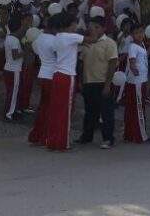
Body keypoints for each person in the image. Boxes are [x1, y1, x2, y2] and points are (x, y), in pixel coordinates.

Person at [78, 13, 119, 149]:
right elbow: (82, 62)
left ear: (102, 28)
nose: (92, 30)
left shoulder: (109, 43)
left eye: (96, 27)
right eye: (90, 27)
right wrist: (81, 81)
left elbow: (113, 63)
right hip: (88, 81)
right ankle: (86, 136)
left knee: (106, 112)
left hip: (102, 81)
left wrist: (108, 84)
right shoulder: (87, 43)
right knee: (90, 111)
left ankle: (108, 138)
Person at [46, 13, 84, 151]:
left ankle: (52, 140)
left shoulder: (57, 37)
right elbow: (90, 40)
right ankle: (62, 142)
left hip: (57, 74)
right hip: (68, 76)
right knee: (66, 110)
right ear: (71, 24)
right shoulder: (71, 36)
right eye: (75, 24)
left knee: (56, 109)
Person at [122, 23, 150, 144]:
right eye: (137, 33)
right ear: (132, 35)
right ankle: (141, 135)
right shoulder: (133, 46)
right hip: (136, 81)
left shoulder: (141, 45)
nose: (140, 35)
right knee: (138, 108)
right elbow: (132, 60)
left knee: (135, 107)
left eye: (141, 32)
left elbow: (143, 58)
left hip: (141, 80)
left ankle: (130, 134)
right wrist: (134, 69)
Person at [2, 15, 26, 121]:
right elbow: (15, 56)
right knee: (14, 92)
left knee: (10, 91)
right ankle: (10, 113)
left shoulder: (8, 38)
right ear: (19, 27)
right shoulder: (15, 40)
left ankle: (11, 109)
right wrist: (25, 52)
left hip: (8, 68)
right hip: (14, 69)